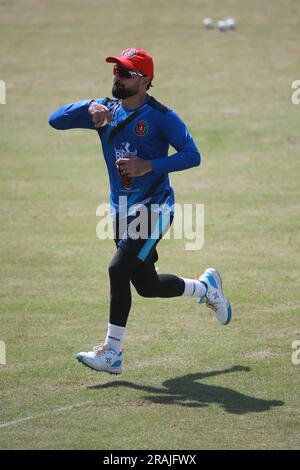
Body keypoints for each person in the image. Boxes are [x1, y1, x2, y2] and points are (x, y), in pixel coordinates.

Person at [48, 47, 232, 375]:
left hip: (154, 208)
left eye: (125, 72)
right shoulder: (103, 109)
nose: (117, 77)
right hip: (120, 213)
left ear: (145, 81)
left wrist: (148, 165)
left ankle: (112, 352)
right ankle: (206, 288)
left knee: (117, 269)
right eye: (116, 70)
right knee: (146, 286)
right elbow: (55, 120)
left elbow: (192, 155)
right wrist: (86, 106)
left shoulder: (162, 117)